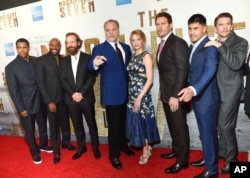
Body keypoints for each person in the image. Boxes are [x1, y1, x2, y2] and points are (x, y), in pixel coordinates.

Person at [205, 12, 248, 174]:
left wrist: (219, 46)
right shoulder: (211, 42)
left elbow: (236, 64)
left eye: (227, 24)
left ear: (232, 25)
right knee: (218, 126)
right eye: (221, 24)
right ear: (215, 27)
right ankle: (222, 153)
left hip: (231, 90)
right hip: (214, 90)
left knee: (226, 126)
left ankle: (232, 162)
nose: (224, 27)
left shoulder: (241, 42)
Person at [88, 19, 134, 170]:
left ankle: (123, 146)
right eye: (108, 30)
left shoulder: (126, 47)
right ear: (105, 32)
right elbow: (91, 68)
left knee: (122, 124)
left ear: (118, 30)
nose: (111, 32)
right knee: (113, 127)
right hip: (111, 95)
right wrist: (95, 63)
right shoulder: (99, 48)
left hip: (125, 93)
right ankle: (113, 155)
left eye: (113, 29)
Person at [178, 14, 220, 178]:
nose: (192, 32)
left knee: (208, 133)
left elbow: (209, 71)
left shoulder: (210, 46)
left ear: (204, 28)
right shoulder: (192, 47)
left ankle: (212, 170)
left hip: (207, 98)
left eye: (196, 28)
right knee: (204, 133)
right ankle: (208, 158)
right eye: (189, 28)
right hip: (198, 98)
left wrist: (193, 89)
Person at [5, 38, 51, 164]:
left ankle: (43, 145)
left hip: (41, 101)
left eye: (24, 47)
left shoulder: (37, 61)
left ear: (28, 47)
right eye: (19, 47)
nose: (22, 50)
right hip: (26, 105)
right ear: (16, 49)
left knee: (42, 127)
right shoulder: (11, 67)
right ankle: (35, 153)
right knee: (30, 131)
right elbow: (13, 91)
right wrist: (21, 109)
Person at [155, 12, 190, 174]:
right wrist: (163, 90)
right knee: (173, 127)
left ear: (170, 25)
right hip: (167, 94)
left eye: (163, 23)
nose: (160, 27)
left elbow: (182, 70)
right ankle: (176, 151)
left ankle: (182, 161)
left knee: (180, 128)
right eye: (157, 24)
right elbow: (166, 71)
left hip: (176, 95)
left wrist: (175, 95)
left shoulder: (178, 43)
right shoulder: (162, 43)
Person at [60, 32, 100, 160]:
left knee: (92, 125)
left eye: (72, 42)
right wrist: (73, 94)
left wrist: (81, 93)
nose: (69, 45)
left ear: (78, 42)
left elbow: (91, 77)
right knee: (77, 126)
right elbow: (63, 80)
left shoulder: (89, 58)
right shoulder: (63, 61)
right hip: (71, 100)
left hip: (86, 98)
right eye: (67, 42)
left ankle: (95, 148)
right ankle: (81, 147)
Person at [36, 38, 77, 164]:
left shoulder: (64, 58)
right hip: (51, 101)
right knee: (54, 128)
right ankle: (56, 152)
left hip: (64, 99)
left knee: (65, 124)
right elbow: (40, 83)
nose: (54, 47)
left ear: (60, 46)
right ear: (49, 46)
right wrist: (49, 102)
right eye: (52, 45)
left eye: (57, 45)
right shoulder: (41, 60)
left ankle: (66, 143)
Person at [125, 29, 160, 165]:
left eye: (138, 39)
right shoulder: (132, 56)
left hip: (142, 95)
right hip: (132, 94)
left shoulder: (146, 56)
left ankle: (146, 150)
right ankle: (147, 146)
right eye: (133, 40)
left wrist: (139, 97)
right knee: (137, 120)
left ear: (143, 40)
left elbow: (150, 79)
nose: (136, 42)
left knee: (143, 120)